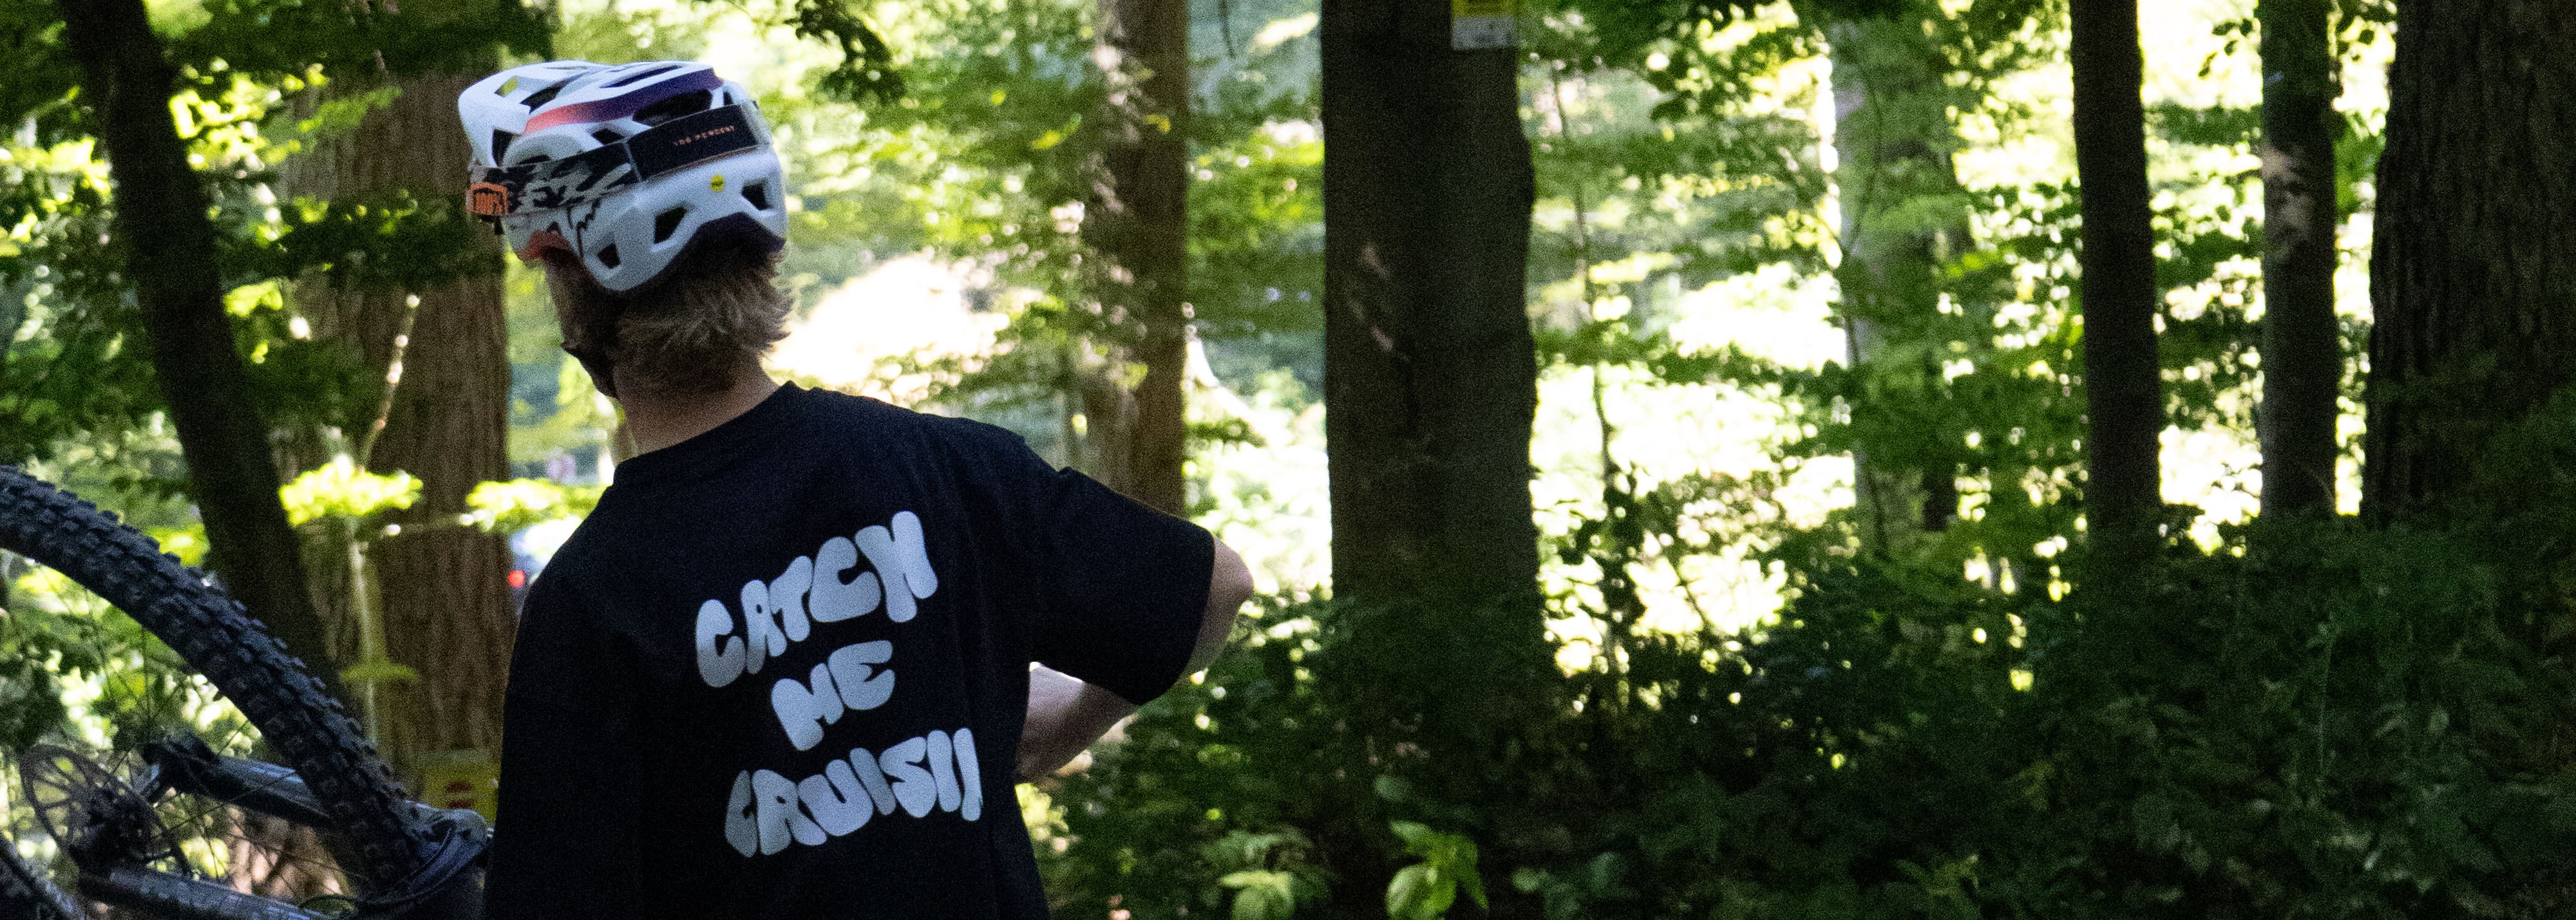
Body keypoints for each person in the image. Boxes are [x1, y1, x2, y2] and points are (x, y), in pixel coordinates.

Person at [458, 60, 1254, 919]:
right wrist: (1060, 726)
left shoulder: (592, 596)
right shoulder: (951, 471)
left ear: (574, 276)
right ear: (761, 248)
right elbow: (1213, 588)